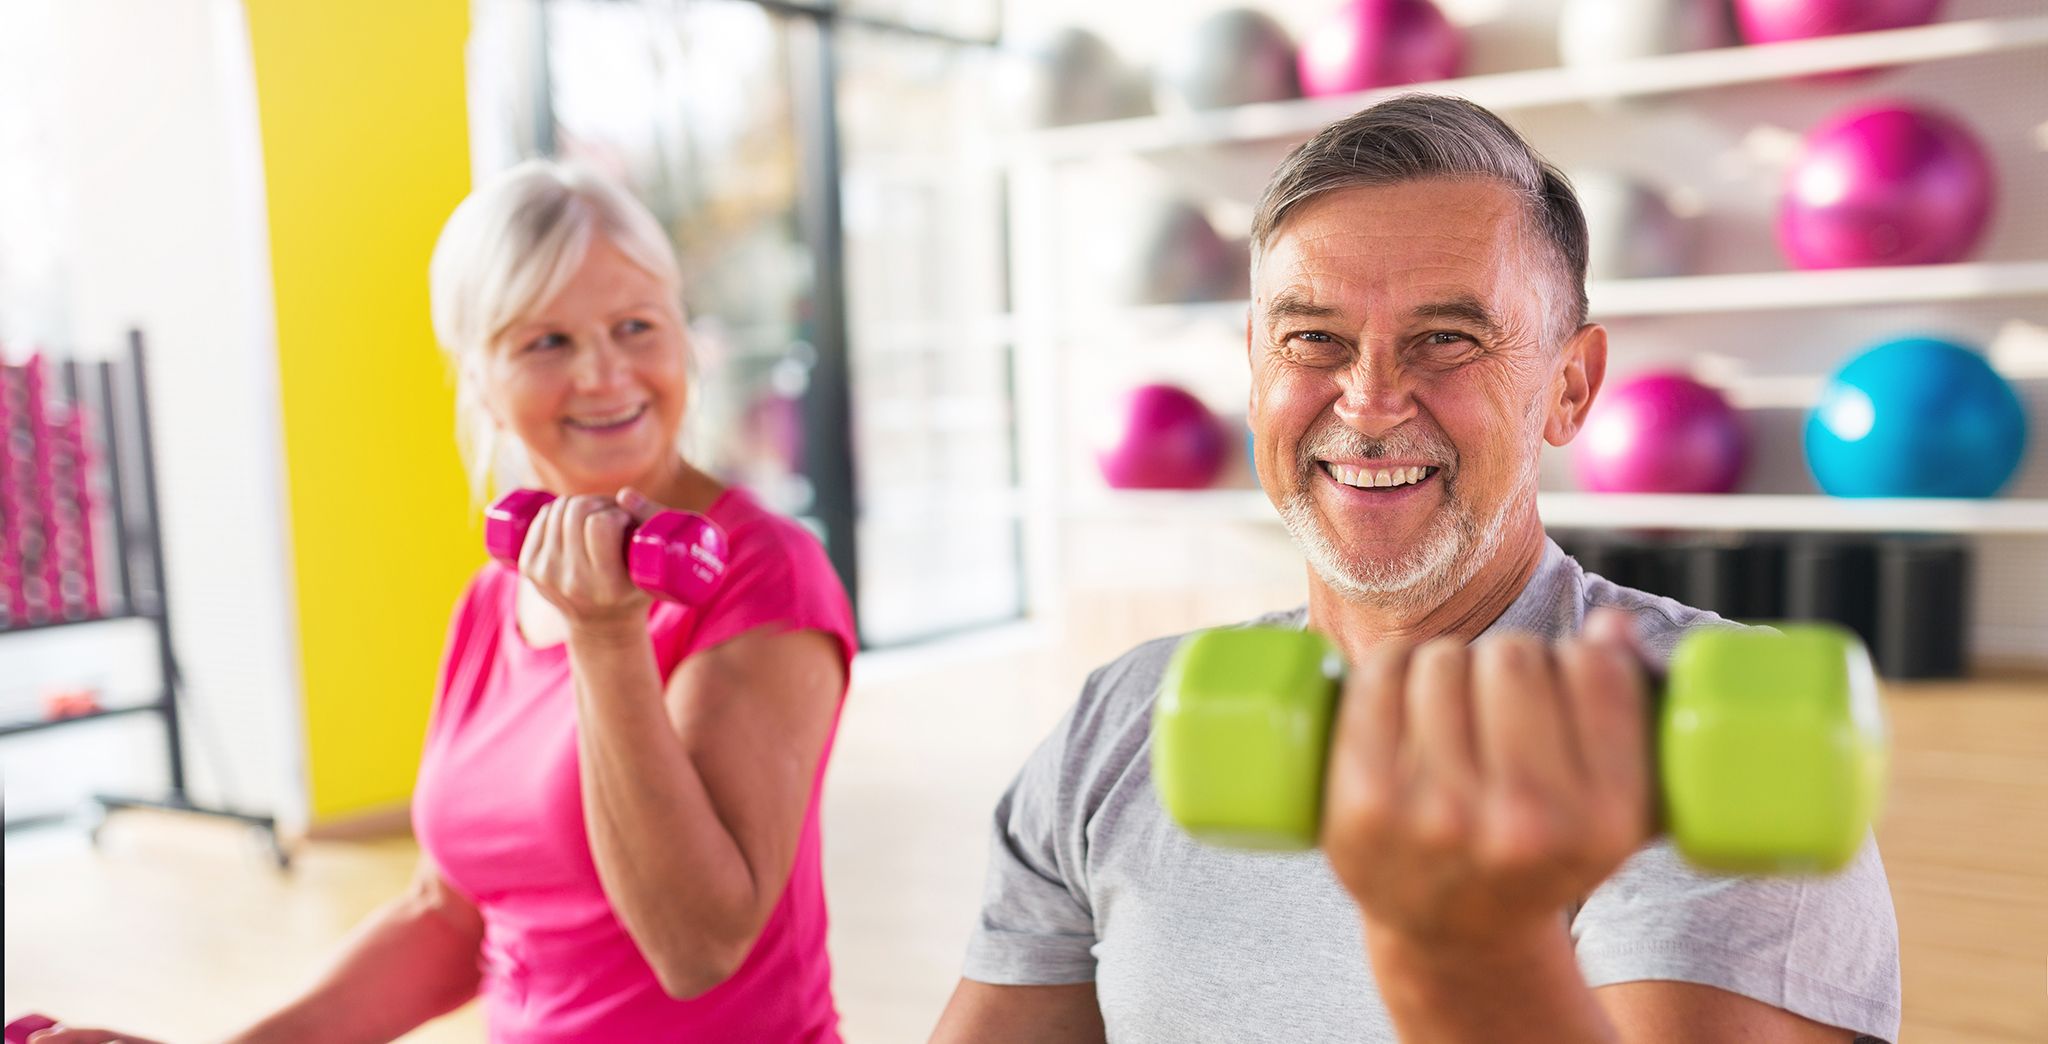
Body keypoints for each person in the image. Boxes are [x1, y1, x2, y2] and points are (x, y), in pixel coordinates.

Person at [931, 95, 1900, 1043]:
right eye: (1312, 339)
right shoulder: (1118, 723)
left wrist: (1465, 952)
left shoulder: (1705, 741)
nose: (1368, 400)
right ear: (1255, 367)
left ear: (1568, 388)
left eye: (1446, 340)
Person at [33, 160, 856, 1043]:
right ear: (482, 380)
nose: (604, 374)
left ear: (684, 341)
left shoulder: (763, 573)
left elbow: (698, 947)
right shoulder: (491, 601)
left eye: (634, 327)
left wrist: (607, 639)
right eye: (547, 342)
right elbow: (449, 916)